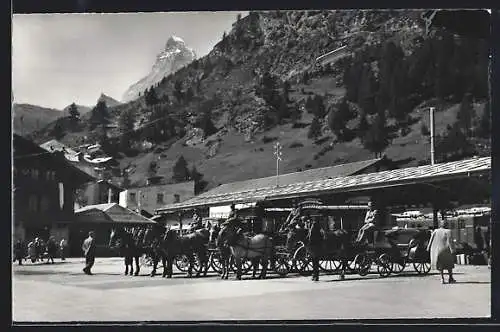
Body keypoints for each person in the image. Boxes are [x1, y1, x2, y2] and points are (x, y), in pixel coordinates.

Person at [426, 220, 456, 284]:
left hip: (437, 251)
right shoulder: (448, 231)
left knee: (440, 265)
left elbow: (431, 240)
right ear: (446, 225)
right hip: (445, 250)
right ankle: (450, 278)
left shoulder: (435, 231)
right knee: (449, 264)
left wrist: (428, 248)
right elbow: (450, 241)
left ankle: (442, 278)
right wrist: (453, 250)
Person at [308, 218, 324, 282]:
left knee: (315, 261)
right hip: (314, 243)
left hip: (317, 244)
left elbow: (321, 233)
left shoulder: (315, 225)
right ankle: (315, 274)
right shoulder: (311, 225)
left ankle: (316, 275)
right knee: (314, 261)